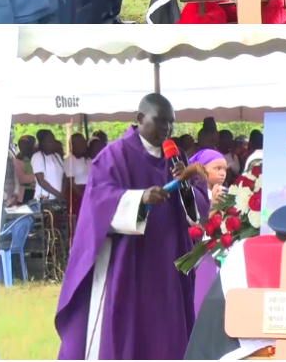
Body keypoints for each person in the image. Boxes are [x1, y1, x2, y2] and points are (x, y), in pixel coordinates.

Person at [55, 93, 195, 360]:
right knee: (129, 330)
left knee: (166, 330)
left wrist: (185, 186)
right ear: (140, 118)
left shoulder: (175, 158)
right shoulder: (114, 156)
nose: (167, 130)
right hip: (127, 259)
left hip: (166, 257)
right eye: (161, 122)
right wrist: (139, 198)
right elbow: (97, 203)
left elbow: (190, 211)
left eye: (171, 124)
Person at [183, 147, 228, 315]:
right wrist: (214, 206)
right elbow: (198, 227)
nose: (223, 173)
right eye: (217, 169)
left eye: (225, 169)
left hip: (221, 255)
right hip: (200, 257)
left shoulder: (227, 193)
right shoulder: (192, 195)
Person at [32, 129, 66, 201]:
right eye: (49, 141)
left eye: (53, 140)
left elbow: (64, 176)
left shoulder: (57, 156)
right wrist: (58, 194)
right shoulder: (37, 157)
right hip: (44, 199)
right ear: (42, 143)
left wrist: (62, 193)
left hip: (58, 198)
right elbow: (41, 181)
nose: (53, 143)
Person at [66, 133, 91, 213]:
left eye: (84, 142)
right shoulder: (69, 161)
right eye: (80, 143)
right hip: (78, 193)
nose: (83, 144)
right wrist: (83, 195)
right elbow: (70, 182)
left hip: (90, 190)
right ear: (73, 145)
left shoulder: (88, 159)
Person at [15, 134, 38, 202]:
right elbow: (21, 179)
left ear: (31, 145)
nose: (21, 147)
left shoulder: (37, 157)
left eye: (24, 144)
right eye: (20, 144)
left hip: (37, 191)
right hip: (25, 193)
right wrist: (37, 178)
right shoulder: (19, 158)